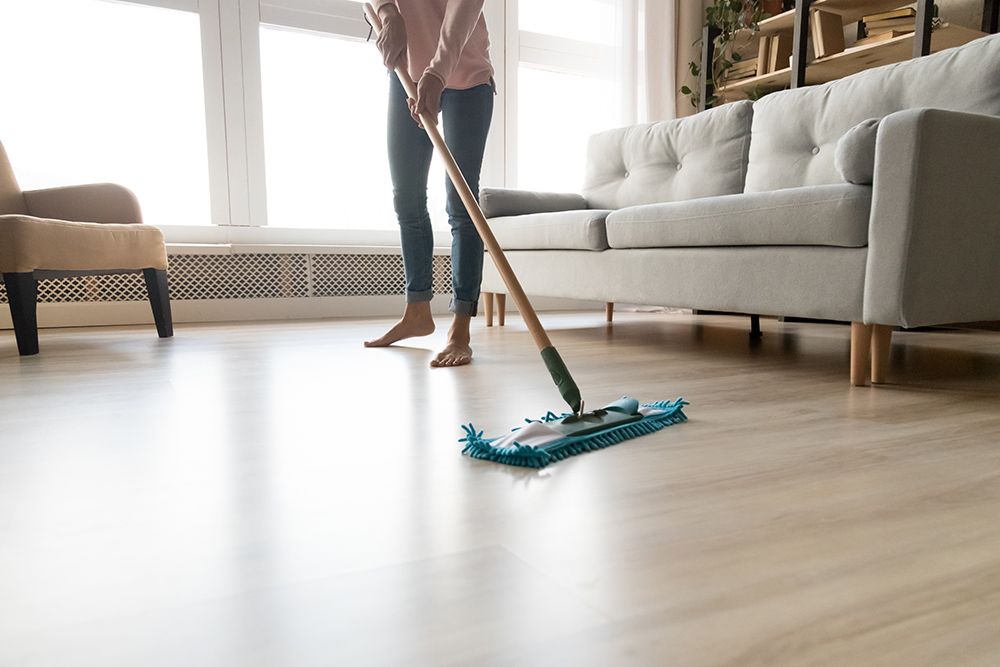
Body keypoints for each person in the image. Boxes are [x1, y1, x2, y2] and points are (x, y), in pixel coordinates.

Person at [364, 0, 494, 368]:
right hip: (407, 70)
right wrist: (388, 12)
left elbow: (464, 11)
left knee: (461, 202)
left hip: (466, 77)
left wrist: (437, 73)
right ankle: (417, 311)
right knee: (406, 197)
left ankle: (460, 327)